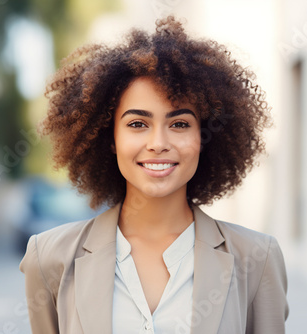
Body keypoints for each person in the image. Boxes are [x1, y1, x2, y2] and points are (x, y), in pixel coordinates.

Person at [20, 16, 288, 334]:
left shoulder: (256, 258)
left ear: (204, 137)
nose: (158, 144)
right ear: (109, 138)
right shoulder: (50, 257)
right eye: (137, 124)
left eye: (179, 124)